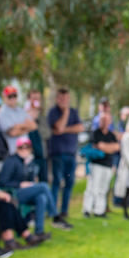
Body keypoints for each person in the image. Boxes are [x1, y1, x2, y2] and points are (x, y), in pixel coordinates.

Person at [0, 136, 72, 237]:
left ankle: (39, 231)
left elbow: (31, 179)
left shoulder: (29, 162)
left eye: (27, 147)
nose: (24, 150)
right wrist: (19, 184)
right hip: (13, 193)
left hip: (25, 192)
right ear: (17, 149)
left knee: (41, 197)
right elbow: (2, 181)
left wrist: (30, 177)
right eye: (21, 148)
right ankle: (55, 216)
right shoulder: (11, 161)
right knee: (43, 186)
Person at [47, 87, 83, 218]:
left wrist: (65, 129)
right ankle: (52, 210)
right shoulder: (53, 112)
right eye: (61, 98)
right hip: (58, 153)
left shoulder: (74, 112)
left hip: (71, 153)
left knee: (69, 183)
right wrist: (66, 113)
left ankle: (64, 210)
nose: (64, 101)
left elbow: (80, 127)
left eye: (66, 99)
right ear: (57, 99)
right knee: (56, 182)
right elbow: (58, 127)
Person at [82, 113, 119, 217]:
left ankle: (99, 210)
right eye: (103, 120)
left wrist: (105, 147)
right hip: (96, 164)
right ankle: (87, 209)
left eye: (107, 120)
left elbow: (116, 147)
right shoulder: (95, 133)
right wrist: (108, 147)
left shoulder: (111, 135)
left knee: (103, 189)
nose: (105, 122)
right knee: (92, 187)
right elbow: (98, 145)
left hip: (108, 165)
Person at [0, 85, 38, 155]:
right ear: (4, 97)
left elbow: (34, 126)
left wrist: (19, 126)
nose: (12, 98)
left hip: (26, 151)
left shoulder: (20, 110)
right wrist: (26, 127)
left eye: (14, 95)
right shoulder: (2, 113)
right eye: (10, 96)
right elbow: (13, 133)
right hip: (13, 152)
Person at [25, 89, 48, 183]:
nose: (35, 101)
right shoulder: (23, 116)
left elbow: (47, 133)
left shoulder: (42, 118)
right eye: (33, 98)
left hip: (41, 155)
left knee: (44, 180)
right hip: (29, 156)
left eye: (37, 99)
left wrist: (35, 122)